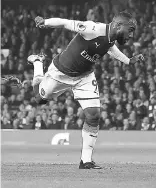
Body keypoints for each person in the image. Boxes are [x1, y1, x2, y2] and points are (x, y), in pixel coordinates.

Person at [27, 11, 144, 169]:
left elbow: (110, 49)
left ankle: (86, 160)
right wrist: (45, 22)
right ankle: (37, 63)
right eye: (130, 30)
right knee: (39, 99)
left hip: (84, 77)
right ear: (118, 25)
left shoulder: (110, 39)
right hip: (60, 73)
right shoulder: (93, 29)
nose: (131, 35)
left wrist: (128, 61)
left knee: (94, 115)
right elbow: (65, 22)